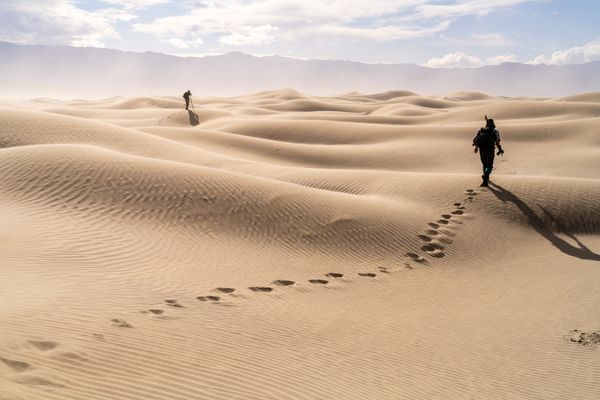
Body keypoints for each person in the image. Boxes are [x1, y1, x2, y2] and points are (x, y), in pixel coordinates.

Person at [473, 115, 504, 187]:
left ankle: (485, 181)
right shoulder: (495, 131)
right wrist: (500, 149)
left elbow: (475, 139)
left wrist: (476, 148)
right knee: (489, 165)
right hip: (490, 149)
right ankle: (486, 176)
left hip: (482, 149)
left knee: (484, 164)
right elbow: (497, 142)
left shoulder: (481, 130)